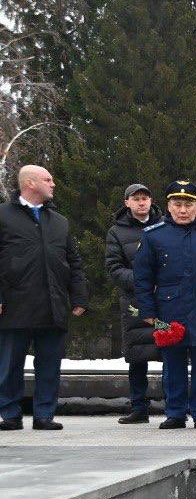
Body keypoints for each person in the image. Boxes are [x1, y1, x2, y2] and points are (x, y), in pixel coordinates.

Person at [132, 181, 196, 429]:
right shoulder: (154, 235)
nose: (183, 210)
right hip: (169, 310)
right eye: (177, 204)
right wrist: (147, 311)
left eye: (188, 204)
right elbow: (143, 277)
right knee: (172, 363)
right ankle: (175, 412)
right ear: (168, 206)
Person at [0, 165, 87, 430]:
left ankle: (44, 414)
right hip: (14, 304)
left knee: (49, 364)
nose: (53, 184)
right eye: (47, 179)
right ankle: (10, 414)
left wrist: (80, 296)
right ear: (30, 183)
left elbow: (73, 261)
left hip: (53, 304)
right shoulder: (3, 215)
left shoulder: (59, 221)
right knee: (9, 363)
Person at [105, 183, 163, 424]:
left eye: (145, 198)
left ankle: (176, 406)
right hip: (134, 301)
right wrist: (143, 281)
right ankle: (139, 407)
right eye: (136, 198)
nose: (142, 202)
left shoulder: (165, 225)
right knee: (137, 356)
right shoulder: (116, 232)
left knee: (170, 352)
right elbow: (114, 268)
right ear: (126, 202)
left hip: (165, 300)